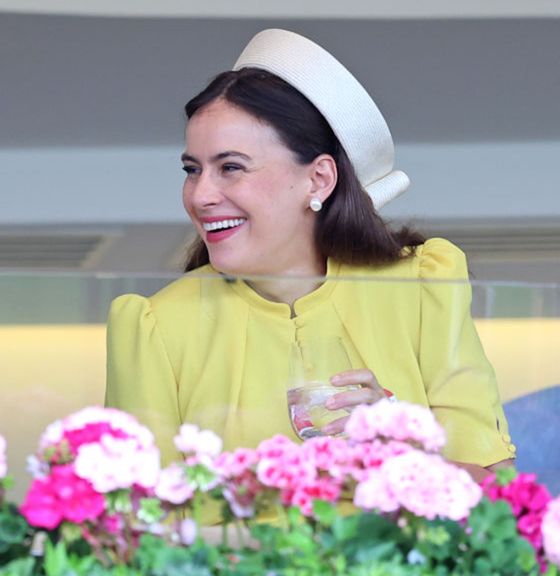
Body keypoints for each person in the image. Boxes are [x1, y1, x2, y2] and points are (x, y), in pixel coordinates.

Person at [105, 29, 514, 481]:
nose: (200, 195)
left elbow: (500, 495)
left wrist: (403, 457)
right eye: (192, 170)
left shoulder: (420, 288)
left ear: (318, 179)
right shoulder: (157, 327)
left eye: (231, 167)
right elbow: (135, 526)